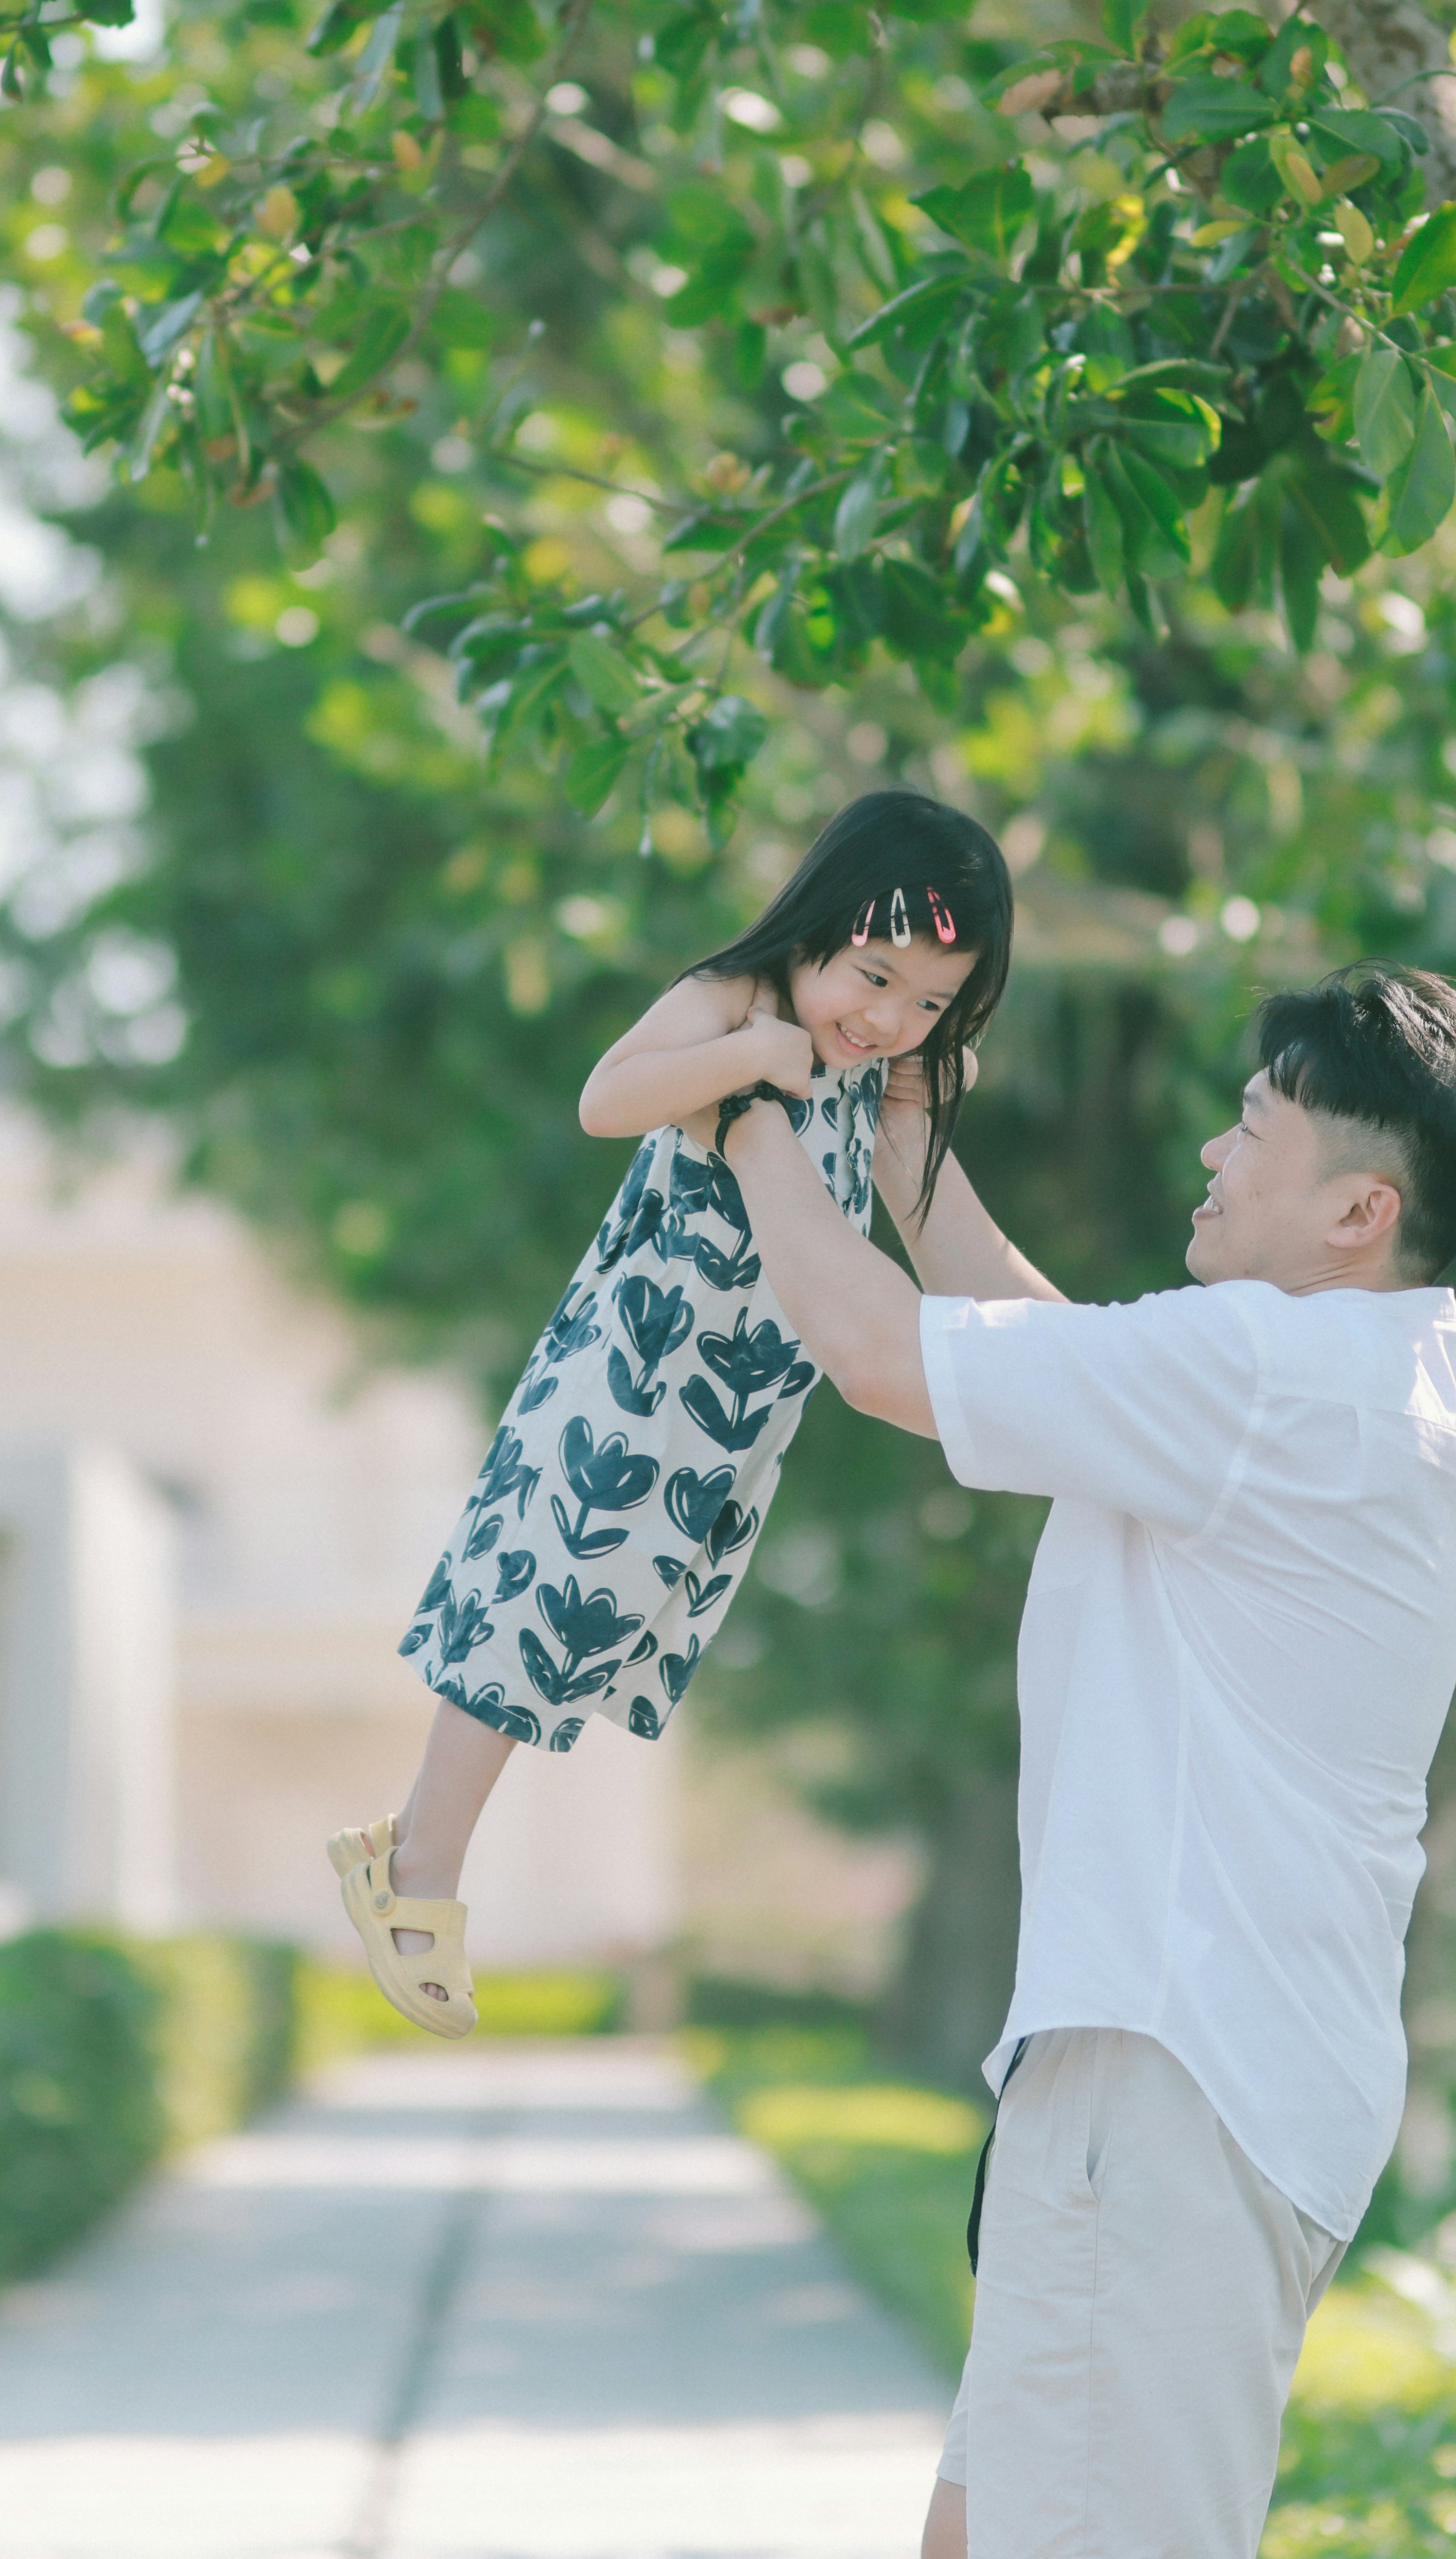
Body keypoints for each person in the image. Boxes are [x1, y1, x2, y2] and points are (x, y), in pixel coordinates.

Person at [724, 963, 1456, 2559]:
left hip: (1170, 2068)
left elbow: (886, 1354)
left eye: (1254, 1128)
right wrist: (904, 1147)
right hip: (1204, 2068)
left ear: (1357, 1210)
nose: (1214, 1157)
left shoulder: (1266, 1373)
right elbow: (1047, 1354)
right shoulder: (1388, 1374)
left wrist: (741, 1116)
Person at [329, 789, 1018, 2034]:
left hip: (729, 1414)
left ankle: (409, 1839)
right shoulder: (739, 1005)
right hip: (627, 1376)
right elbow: (606, 1097)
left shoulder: (879, 1081)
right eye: (870, 977)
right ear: (811, 929)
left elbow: (932, 1227)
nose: (886, 1018)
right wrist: (750, 1060)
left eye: (925, 1002)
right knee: (534, 1604)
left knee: (593, 1630)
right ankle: (417, 1868)